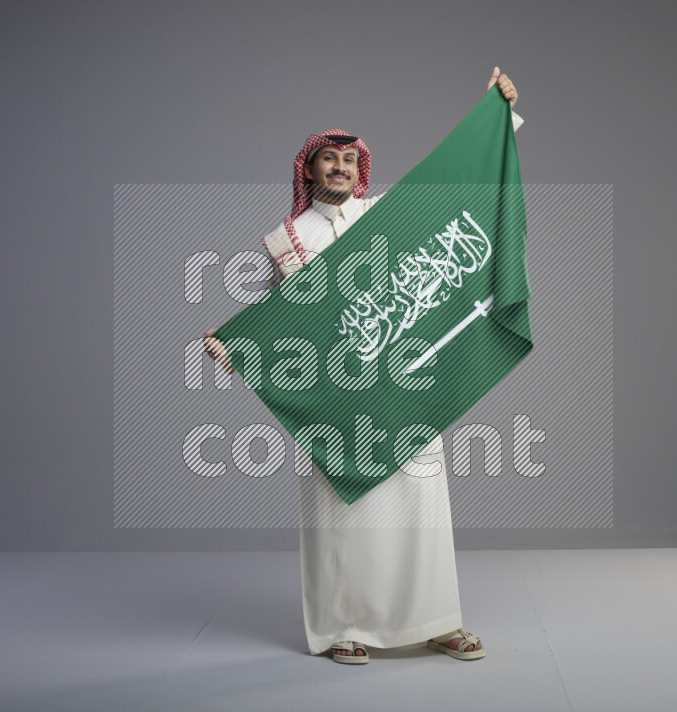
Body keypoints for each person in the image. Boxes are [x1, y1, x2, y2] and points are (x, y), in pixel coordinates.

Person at [204, 67, 522, 664]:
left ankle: (437, 621)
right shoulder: (285, 240)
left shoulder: (386, 214)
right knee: (340, 516)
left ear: (361, 169)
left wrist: (495, 117)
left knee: (421, 506)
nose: (340, 168)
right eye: (329, 159)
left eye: (349, 160)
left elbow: (459, 191)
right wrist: (236, 344)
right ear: (308, 169)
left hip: (403, 383)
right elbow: (284, 321)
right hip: (338, 396)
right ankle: (342, 628)